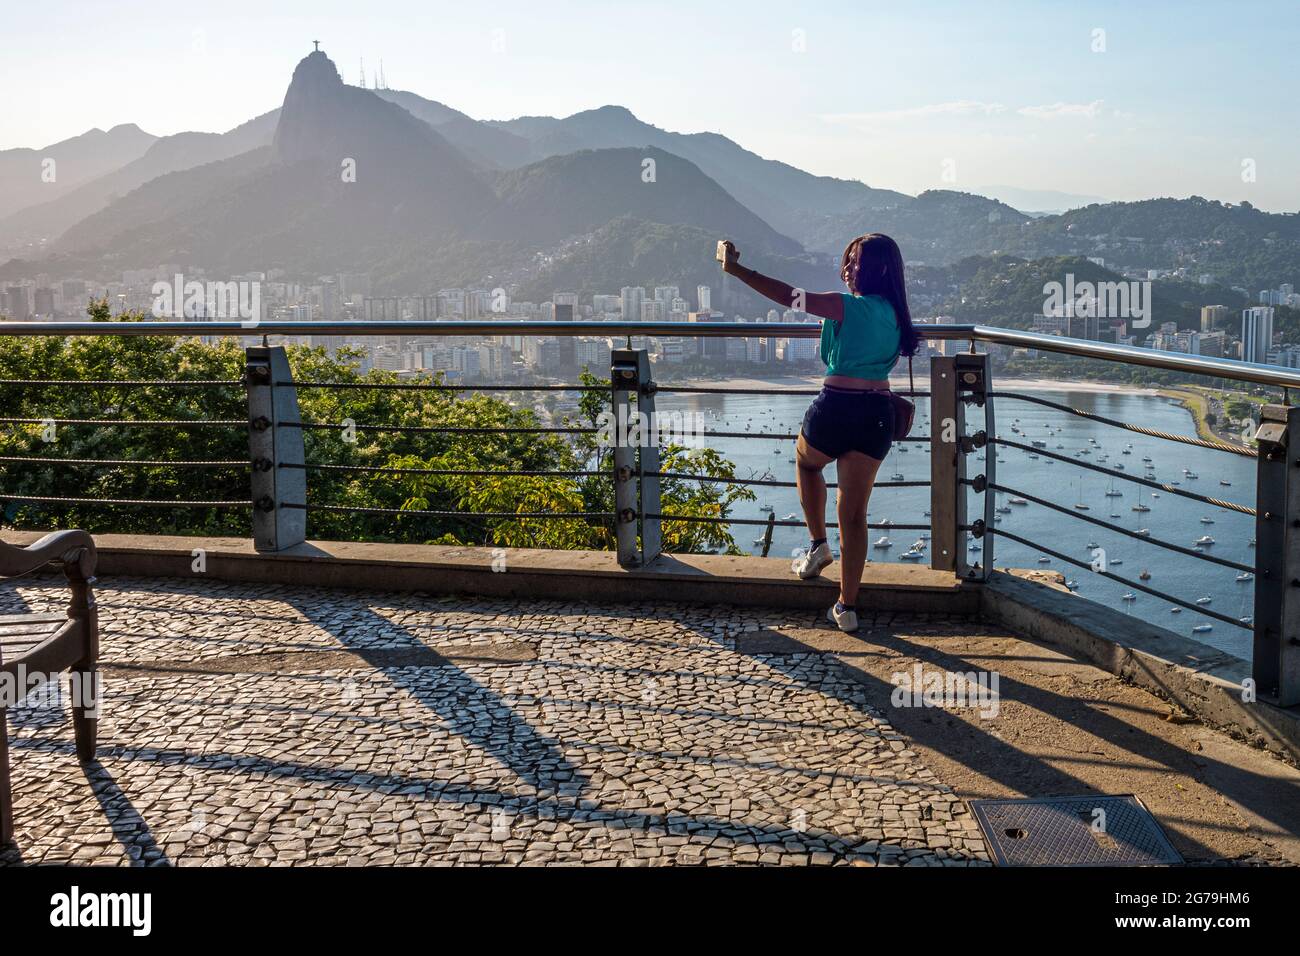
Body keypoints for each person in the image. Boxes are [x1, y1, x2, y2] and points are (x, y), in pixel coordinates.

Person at [719, 234, 919, 631]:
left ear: (875, 268)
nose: (846, 269)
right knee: (855, 515)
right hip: (877, 413)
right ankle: (847, 606)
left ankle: (817, 545)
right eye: (846, 261)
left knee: (807, 464)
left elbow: (787, 296)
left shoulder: (845, 306)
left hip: (836, 407)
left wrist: (736, 269)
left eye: (854, 262)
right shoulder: (899, 315)